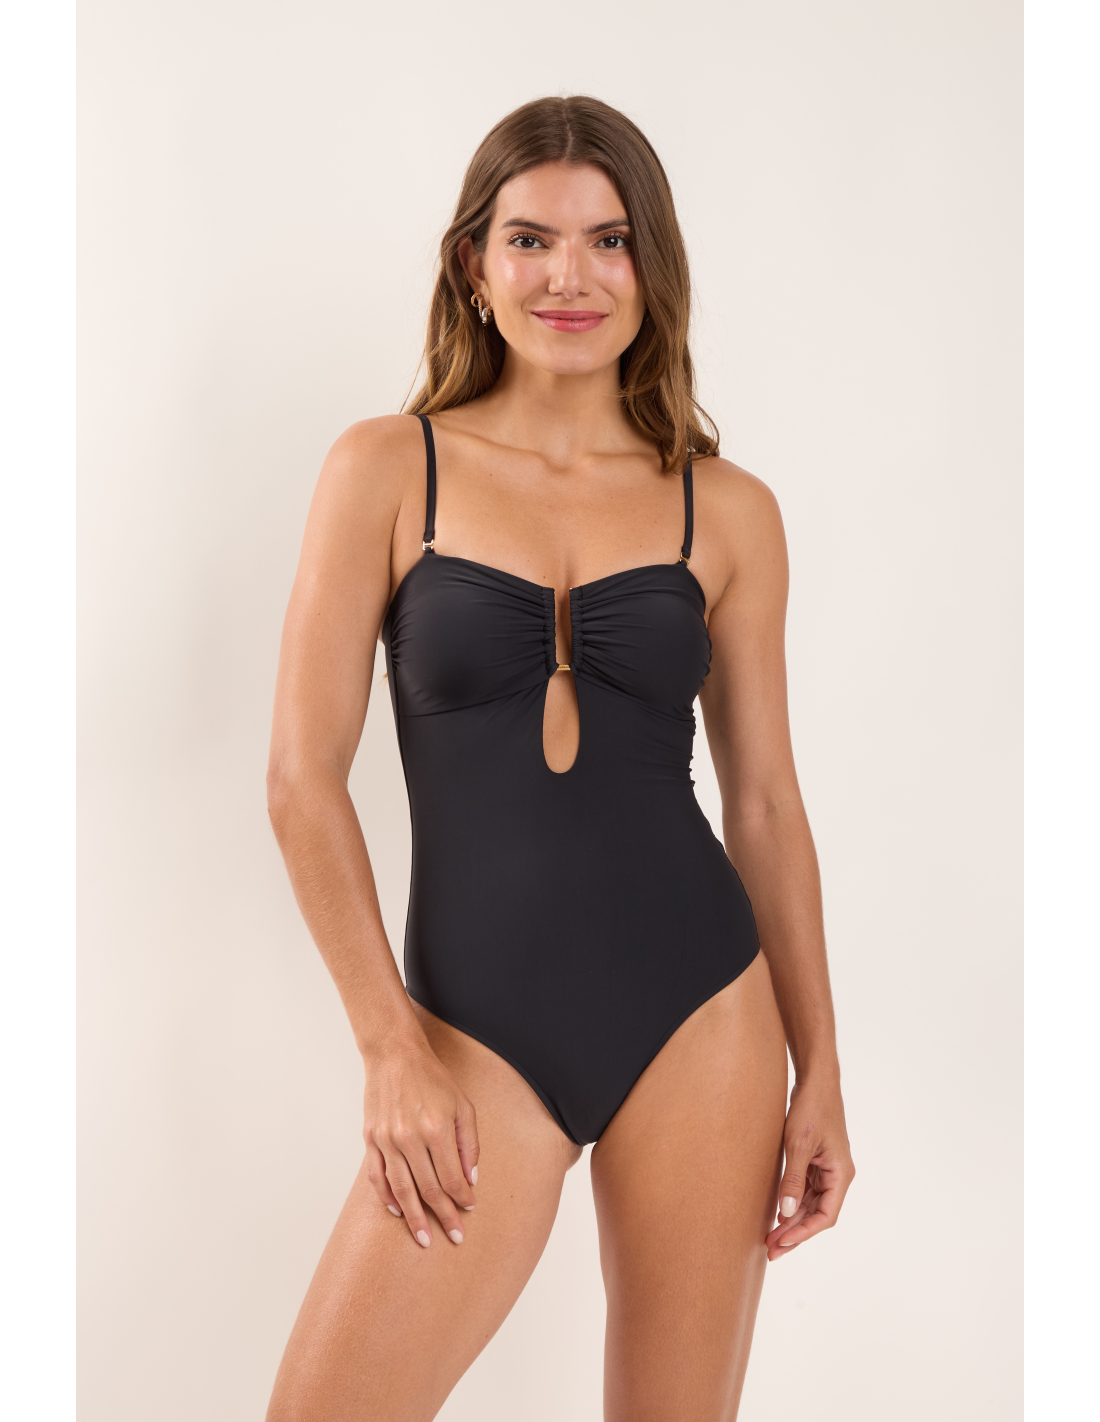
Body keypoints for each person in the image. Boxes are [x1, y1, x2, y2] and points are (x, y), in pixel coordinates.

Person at [264, 94, 854, 1422]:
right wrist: (388, 1046)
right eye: (531, 239)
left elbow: (765, 804)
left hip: (704, 1011)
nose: (569, 278)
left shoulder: (728, 509)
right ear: (474, 264)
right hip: (471, 1029)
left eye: (609, 240)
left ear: (653, 267)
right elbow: (302, 779)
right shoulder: (386, 469)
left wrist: (820, 1064)